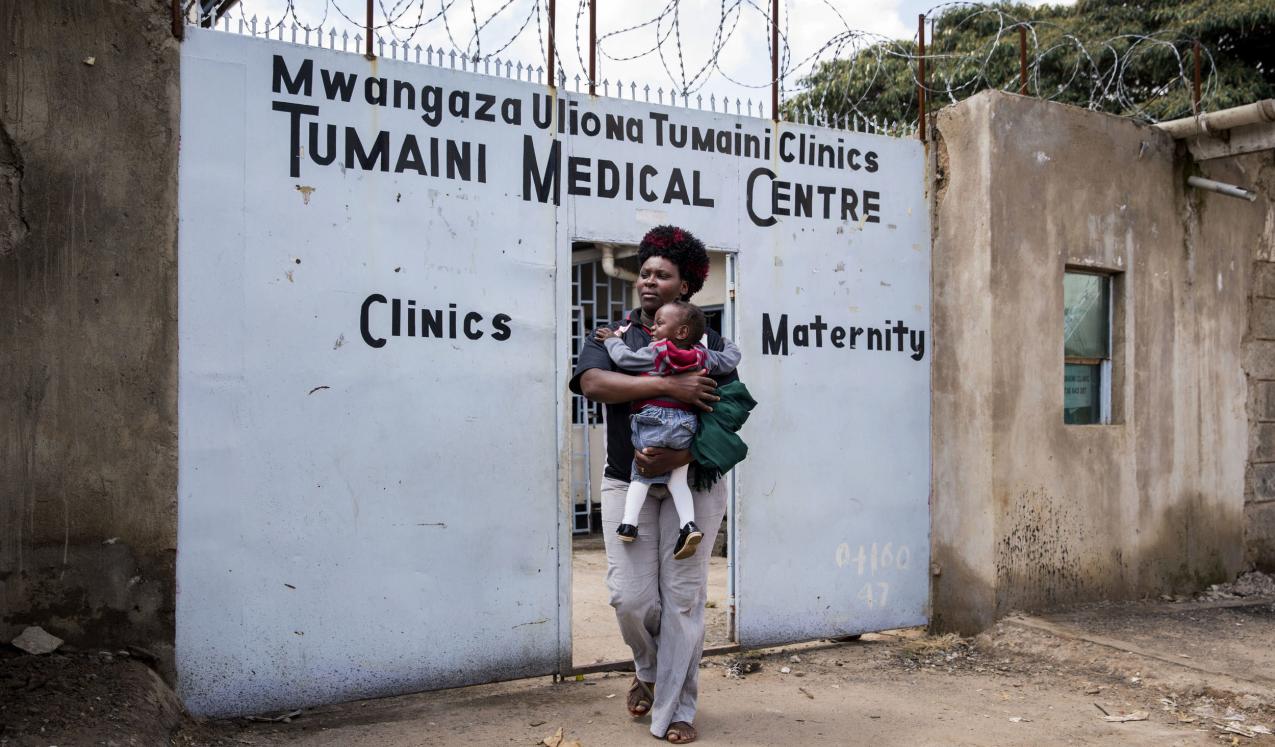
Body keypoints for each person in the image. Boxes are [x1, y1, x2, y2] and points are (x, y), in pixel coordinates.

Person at [570, 225, 736, 744]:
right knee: (632, 598)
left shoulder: (711, 345)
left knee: (683, 600)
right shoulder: (612, 337)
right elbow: (594, 384)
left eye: (662, 275)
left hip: (695, 479)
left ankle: (677, 709)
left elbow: (733, 410)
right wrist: (667, 383)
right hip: (629, 479)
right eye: (644, 272)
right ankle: (647, 668)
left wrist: (684, 450)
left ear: (684, 287)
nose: (648, 281)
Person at [594, 300, 741, 560]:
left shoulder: (659, 351)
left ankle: (629, 523)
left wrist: (609, 340)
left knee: (640, 474)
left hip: (654, 422)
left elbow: (625, 358)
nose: (653, 328)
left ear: (681, 331)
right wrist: (729, 343)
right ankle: (688, 525)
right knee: (678, 480)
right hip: (686, 427)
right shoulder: (702, 355)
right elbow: (730, 360)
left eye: (660, 323)